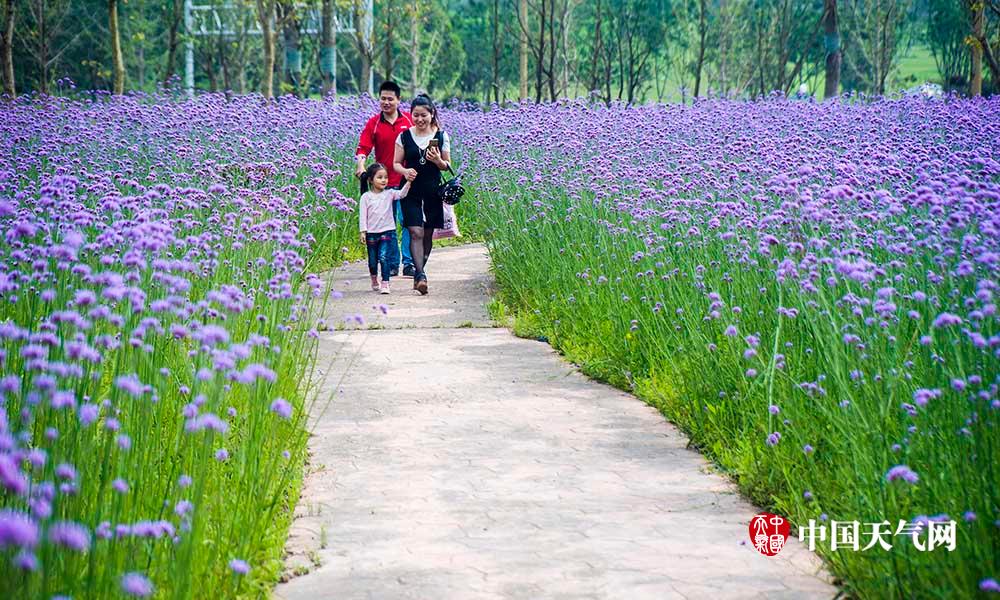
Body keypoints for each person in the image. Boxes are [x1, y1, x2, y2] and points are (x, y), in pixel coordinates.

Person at [393, 93, 451, 295]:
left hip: (433, 191)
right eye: (415, 115)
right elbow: (396, 163)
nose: (419, 119)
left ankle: (420, 271)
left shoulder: (441, 136)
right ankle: (420, 276)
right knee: (415, 232)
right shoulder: (404, 136)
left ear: (431, 114)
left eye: (423, 115)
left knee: (427, 234)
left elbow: (446, 166)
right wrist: (404, 171)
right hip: (410, 190)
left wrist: (437, 161)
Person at [355, 81, 415, 277]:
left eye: (390, 99)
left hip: (406, 180)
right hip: (384, 183)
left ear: (399, 100)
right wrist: (361, 166)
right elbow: (363, 147)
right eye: (383, 99)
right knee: (388, 225)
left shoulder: (408, 121)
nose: (386, 102)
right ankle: (392, 264)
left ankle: (408, 262)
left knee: (407, 222)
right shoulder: (374, 123)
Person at [359, 163, 411, 294]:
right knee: (372, 261)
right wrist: (363, 231)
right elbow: (362, 216)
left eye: (385, 177)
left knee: (384, 257)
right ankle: (374, 279)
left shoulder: (390, 194)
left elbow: (402, 194)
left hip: (387, 231)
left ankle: (385, 283)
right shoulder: (366, 197)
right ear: (371, 180)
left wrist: (409, 181)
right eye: (380, 177)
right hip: (371, 233)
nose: (383, 180)